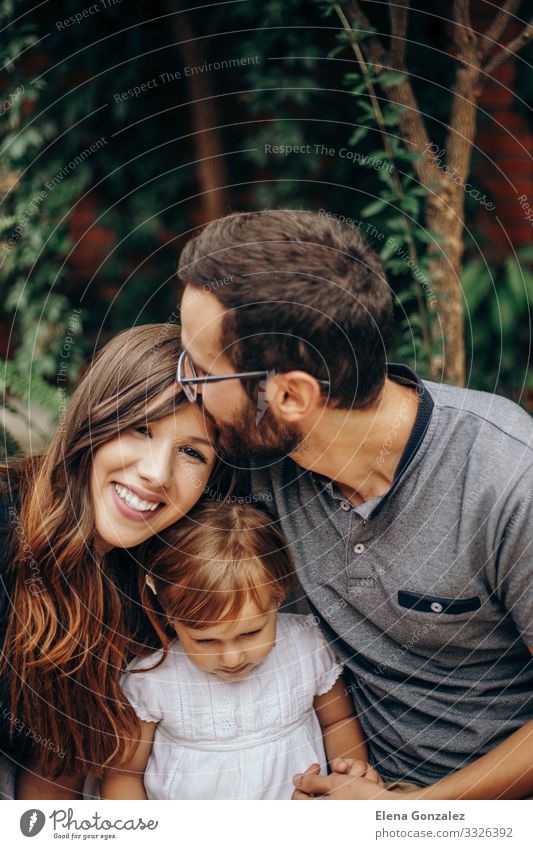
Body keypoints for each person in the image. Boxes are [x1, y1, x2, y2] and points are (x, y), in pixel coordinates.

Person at [175, 209, 533, 800]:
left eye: (202, 373)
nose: (185, 386)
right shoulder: (255, 460)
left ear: (290, 395)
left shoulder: (507, 479)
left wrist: (408, 816)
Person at [0, 323, 225, 800]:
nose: (156, 473)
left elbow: (55, 762)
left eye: (192, 452)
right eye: (140, 428)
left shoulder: (146, 587)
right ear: (93, 421)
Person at [100, 500, 378, 800]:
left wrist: (348, 771)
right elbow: (125, 773)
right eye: (205, 640)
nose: (232, 658)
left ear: (279, 595)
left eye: (250, 633)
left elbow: (337, 720)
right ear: (168, 614)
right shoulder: (153, 678)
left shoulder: (308, 646)